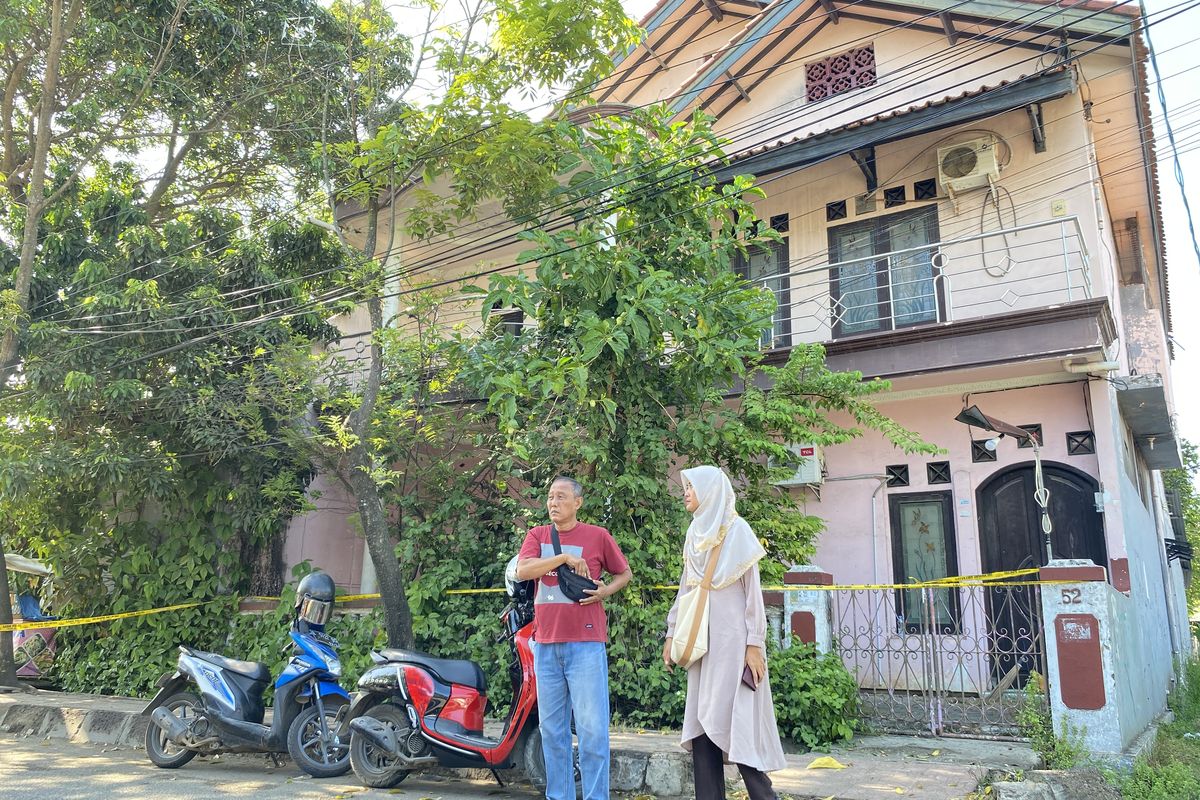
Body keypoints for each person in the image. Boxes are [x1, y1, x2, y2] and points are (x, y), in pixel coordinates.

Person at [662, 465, 787, 800]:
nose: (686, 492)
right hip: (701, 643)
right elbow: (686, 589)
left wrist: (754, 644)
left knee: (738, 721)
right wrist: (672, 633)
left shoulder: (737, 530)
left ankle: (764, 796)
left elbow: (753, 595)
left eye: (691, 486)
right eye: (686, 487)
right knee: (702, 720)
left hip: (734, 645)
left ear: (710, 491)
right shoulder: (694, 533)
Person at [516, 476, 633, 800]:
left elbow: (624, 573)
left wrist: (606, 591)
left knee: (592, 731)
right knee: (552, 732)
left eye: (561, 497)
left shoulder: (598, 536)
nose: (553, 503)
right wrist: (564, 558)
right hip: (546, 645)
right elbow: (523, 571)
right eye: (550, 497)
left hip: (586, 646)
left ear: (578, 502)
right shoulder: (537, 535)